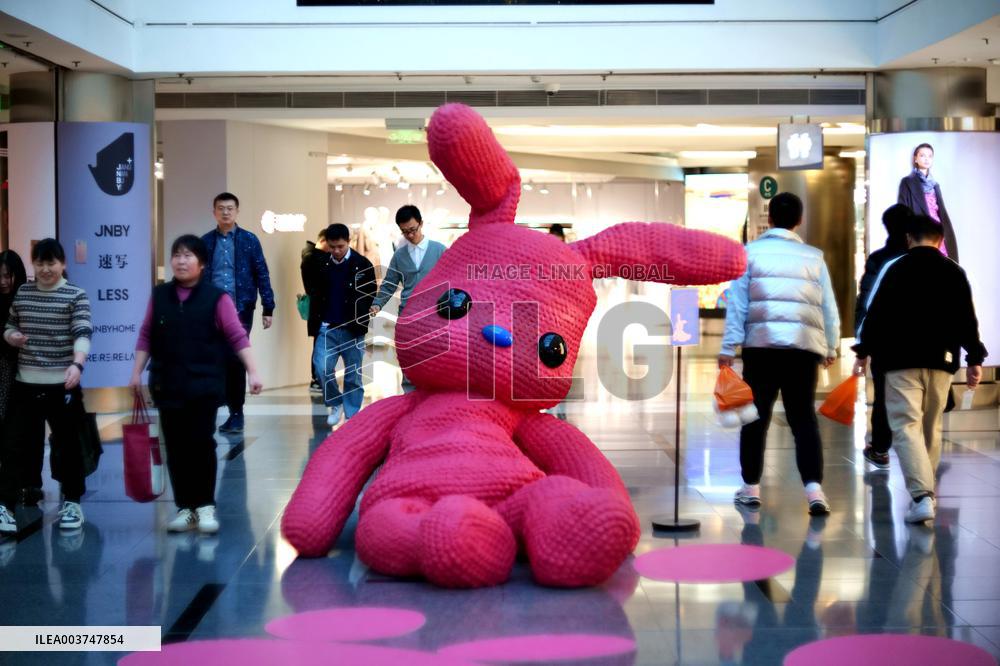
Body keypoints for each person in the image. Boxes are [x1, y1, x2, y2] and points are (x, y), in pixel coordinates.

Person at [854, 215, 986, 524]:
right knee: (931, 426)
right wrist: (974, 359)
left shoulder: (896, 268)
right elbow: (967, 318)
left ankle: (922, 495)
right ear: (940, 240)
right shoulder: (954, 271)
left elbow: (877, 314)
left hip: (901, 360)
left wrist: (863, 351)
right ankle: (926, 493)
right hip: (942, 361)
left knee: (905, 425)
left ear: (910, 238)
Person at [129, 235, 263, 534]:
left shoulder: (217, 298)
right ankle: (185, 507)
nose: (181, 260)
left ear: (202, 263)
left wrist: (253, 371)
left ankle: (204, 506)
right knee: (175, 447)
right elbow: (146, 334)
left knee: (201, 444)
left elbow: (237, 336)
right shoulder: (160, 295)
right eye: (177, 255)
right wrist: (136, 372)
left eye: (188, 255)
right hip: (166, 383)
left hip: (203, 385)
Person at [719, 192, 840, 516]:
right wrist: (830, 345)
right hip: (802, 349)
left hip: (761, 347)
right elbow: (827, 305)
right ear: (798, 221)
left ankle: (751, 488)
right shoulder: (813, 257)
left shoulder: (750, 254)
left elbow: (738, 305)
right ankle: (814, 490)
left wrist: (728, 347)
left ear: (769, 218)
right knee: (803, 420)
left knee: (755, 418)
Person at [0, 239, 92, 534]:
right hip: (25, 384)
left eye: (51, 263)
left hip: (61, 384)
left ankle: (73, 502)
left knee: (67, 445)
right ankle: (5, 507)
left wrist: (77, 364)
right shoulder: (24, 292)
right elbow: (9, 324)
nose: (45, 269)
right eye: (39, 263)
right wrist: (11, 335)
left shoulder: (75, 295)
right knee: (14, 446)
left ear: (63, 264)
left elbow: (82, 332)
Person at [201, 192, 275, 435]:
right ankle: (217, 403)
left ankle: (236, 413)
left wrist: (268, 307)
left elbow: (261, 273)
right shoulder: (205, 242)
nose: (225, 212)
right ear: (214, 212)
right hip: (210, 309)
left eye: (230, 208)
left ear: (237, 211)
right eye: (220, 208)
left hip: (240, 308)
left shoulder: (249, 240)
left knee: (235, 358)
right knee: (214, 357)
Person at [853, 204, 912, 470]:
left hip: (885, 341)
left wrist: (862, 345)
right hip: (921, 342)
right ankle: (918, 447)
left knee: (884, 396)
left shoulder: (879, 258)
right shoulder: (922, 257)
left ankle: (879, 448)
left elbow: (866, 300)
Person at [310, 224, 376, 426]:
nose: (336, 251)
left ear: (348, 242)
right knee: (321, 368)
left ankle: (352, 414)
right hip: (327, 328)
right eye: (332, 247)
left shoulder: (362, 264)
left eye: (340, 246)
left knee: (353, 374)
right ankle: (336, 402)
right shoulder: (321, 265)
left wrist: (362, 314)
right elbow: (316, 294)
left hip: (352, 329)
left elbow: (370, 292)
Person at [370, 205, 446, 319]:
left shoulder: (440, 250)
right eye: (404, 232)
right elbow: (389, 284)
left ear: (421, 224)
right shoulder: (399, 256)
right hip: (407, 314)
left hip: (435, 313)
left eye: (412, 230)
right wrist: (377, 303)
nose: (410, 235)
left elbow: (453, 279)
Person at [0, 251, 33, 504]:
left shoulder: (25, 298)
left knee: (22, 430)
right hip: (4, 369)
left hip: (23, 370)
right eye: (0, 276)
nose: (3, 282)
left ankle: (27, 481)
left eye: (8, 276)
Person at [897, 143, 959, 261]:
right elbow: (902, 212)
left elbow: (940, 213)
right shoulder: (907, 182)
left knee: (941, 268)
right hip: (920, 234)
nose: (926, 159)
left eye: (930, 156)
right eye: (922, 155)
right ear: (915, 158)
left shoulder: (935, 185)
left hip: (937, 233)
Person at [301, 229, 329, 394]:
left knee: (322, 343)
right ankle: (317, 379)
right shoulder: (312, 258)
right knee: (320, 344)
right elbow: (317, 286)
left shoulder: (312, 257)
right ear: (324, 241)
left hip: (320, 309)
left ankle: (319, 378)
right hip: (320, 309)